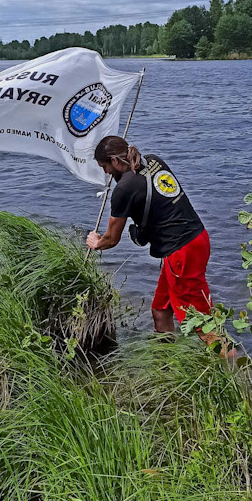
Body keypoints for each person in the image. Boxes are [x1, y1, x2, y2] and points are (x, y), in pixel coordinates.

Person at [86, 135, 217, 347]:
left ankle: (232, 370)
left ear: (116, 161)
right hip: (198, 238)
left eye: (105, 166)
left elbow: (111, 239)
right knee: (160, 310)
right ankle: (166, 365)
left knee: (203, 325)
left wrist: (96, 242)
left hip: (181, 253)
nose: (105, 173)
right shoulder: (154, 160)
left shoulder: (124, 189)